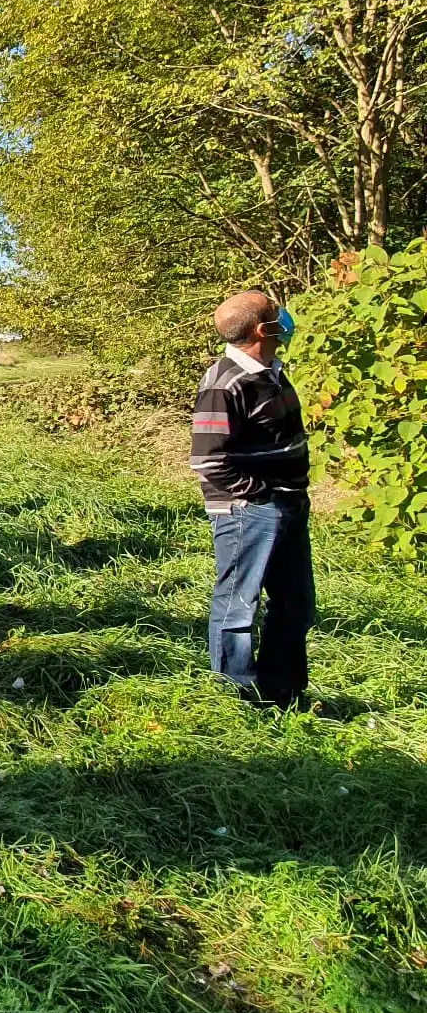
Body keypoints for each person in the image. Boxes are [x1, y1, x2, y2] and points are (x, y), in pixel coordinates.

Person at [190, 290, 314, 709]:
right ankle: (237, 696)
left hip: (289, 505)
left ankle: (283, 691)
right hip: (251, 512)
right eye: (276, 313)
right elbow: (207, 461)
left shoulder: (271, 370)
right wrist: (261, 497)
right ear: (264, 330)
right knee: (238, 605)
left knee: (294, 603)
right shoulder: (224, 383)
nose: (284, 317)